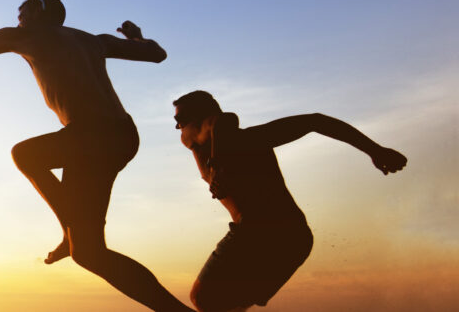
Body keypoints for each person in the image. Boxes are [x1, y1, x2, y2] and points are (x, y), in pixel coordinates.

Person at [0, 0, 193, 311]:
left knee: (24, 154)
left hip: (88, 137)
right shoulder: (93, 41)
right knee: (89, 252)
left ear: (38, 13)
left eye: (22, 11)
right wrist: (135, 37)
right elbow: (156, 54)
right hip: (120, 137)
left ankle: (68, 227)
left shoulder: (24, 35)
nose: (17, 17)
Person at [171, 90, 407, 311]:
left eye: (181, 122)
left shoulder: (247, 140)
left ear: (201, 121)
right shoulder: (204, 149)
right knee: (223, 305)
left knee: (202, 298)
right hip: (291, 239)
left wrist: (375, 150)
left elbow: (225, 120)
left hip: (265, 233)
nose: (177, 128)